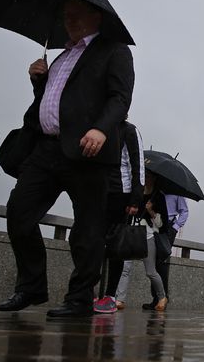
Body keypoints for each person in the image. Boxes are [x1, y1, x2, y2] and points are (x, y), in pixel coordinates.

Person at [0, 0, 135, 317]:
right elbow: (56, 101)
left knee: (88, 230)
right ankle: (30, 288)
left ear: (95, 17)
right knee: (19, 213)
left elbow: (120, 97)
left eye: (75, 15)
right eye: (65, 16)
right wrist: (38, 81)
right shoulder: (61, 57)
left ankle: (80, 298)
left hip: (88, 151)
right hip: (45, 149)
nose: (68, 20)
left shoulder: (114, 51)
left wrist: (100, 129)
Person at [93, 120, 144, 313]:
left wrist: (135, 200)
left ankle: (110, 295)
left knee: (116, 247)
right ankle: (88, 290)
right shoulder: (97, 128)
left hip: (120, 194)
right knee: (91, 241)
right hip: (97, 191)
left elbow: (137, 166)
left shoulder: (129, 130)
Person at [113, 171, 170, 311]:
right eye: (146, 176)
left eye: (150, 177)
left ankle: (162, 297)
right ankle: (119, 299)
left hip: (148, 235)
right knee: (125, 268)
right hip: (132, 233)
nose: (147, 179)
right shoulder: (135, 193)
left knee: (150, 271)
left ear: (155, 178)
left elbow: (162, 225)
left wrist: (151, 211)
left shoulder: (158, 197)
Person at [143, 193, 189, 310]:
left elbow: (184, 211)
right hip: (153, 223)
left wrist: (175, 227)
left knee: (161, 262)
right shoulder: (156, 191)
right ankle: (156, 298)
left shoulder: (177, 192)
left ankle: (162, 298)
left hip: (168, 227)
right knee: (153, 262)